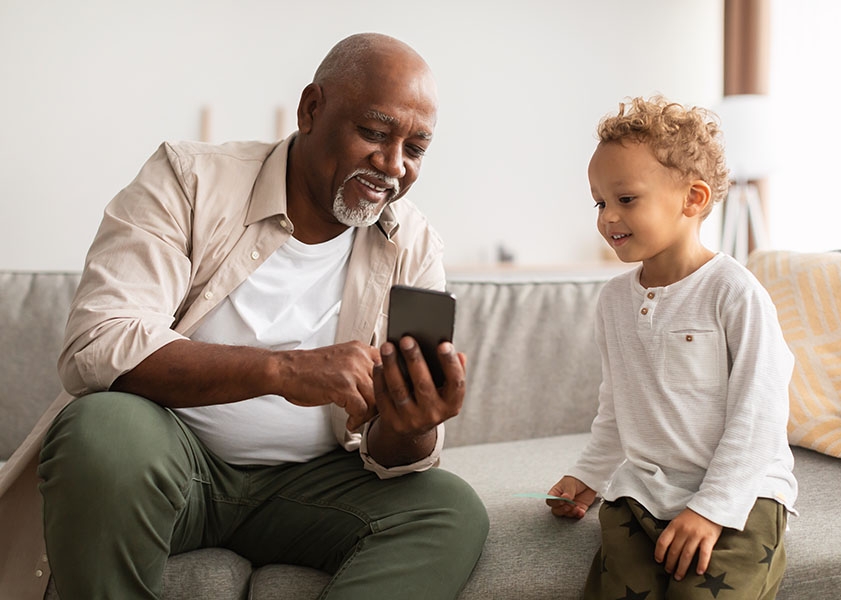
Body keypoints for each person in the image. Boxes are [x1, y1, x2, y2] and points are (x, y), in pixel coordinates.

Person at [0, 32, 488, 600]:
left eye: (416, 149)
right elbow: (99, 341)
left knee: (448, 509)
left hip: (312, 487)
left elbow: (392, 456)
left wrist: (413, 424)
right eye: (374, 133)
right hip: (174, 466)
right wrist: (283, 371)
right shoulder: (187, 178)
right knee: (102, 430)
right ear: (312, 109)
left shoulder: (414, 243)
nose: (393, 165)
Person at [545, 96, 798, 599]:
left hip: (742, 492)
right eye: (599, 202)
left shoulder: (734, 292)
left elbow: (760, 414)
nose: (606, 217)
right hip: (644, 490)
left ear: (693, 198)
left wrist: (711, 507)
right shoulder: (614, 301)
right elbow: (618, 407)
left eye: (626, 199)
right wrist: (589, 474)